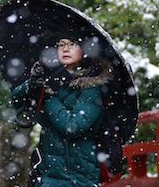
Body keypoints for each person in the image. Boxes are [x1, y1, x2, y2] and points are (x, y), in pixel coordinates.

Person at [12, 36, 114, 187]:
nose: (65, 49)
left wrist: (48, 97)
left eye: (72, 44)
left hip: (78, 176)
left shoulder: (92, 88)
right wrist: (32, 83)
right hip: (47, 173)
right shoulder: (50, 78)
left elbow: (72, 127)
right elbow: (16, 101)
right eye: (61, 45)